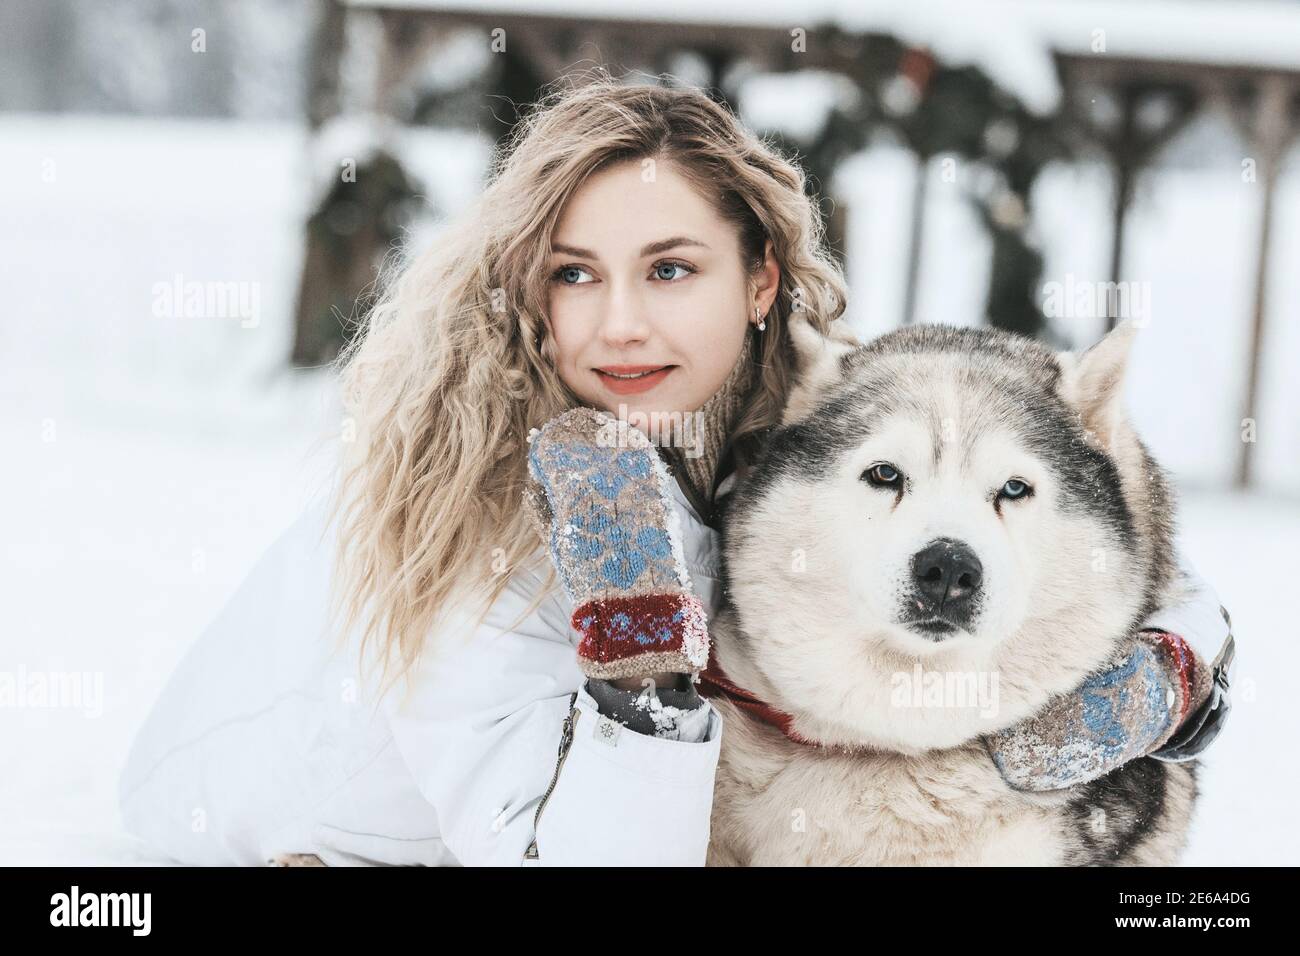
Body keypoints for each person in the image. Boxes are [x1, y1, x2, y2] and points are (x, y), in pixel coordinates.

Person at [117, 73, 1233, 867]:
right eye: (573, 274)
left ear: (759, 283)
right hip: (268, 817)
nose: (619, 324)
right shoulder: (487, 514)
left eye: (668, 268)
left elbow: (1067, 531)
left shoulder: (791, 415)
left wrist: (1176, 660)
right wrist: (640, 683)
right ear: (527, 293)